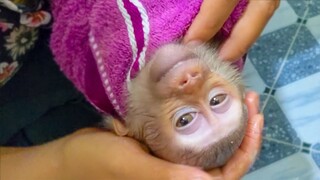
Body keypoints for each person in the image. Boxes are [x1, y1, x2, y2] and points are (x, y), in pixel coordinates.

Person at [0, 0, 279, 179]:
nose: (193, 85)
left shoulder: (104, 86)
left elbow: (70, 38)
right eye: (217, 99)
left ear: (125, 128)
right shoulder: (220, 34)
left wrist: (67, 161)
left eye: (185, 119)